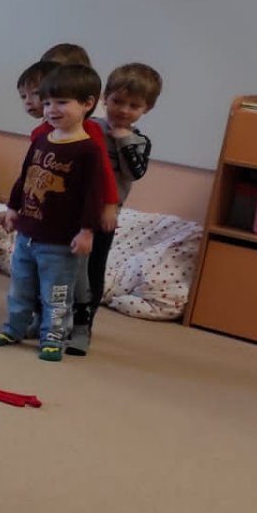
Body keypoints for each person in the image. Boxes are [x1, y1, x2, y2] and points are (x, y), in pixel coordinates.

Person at [0, 64, 111, 361]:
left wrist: (87, 231)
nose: (51, 110)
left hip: (60, 243)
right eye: (46, 103)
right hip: (28, 236)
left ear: (87, 103)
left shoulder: (88, 150)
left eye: (62, 102)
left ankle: (53, 338)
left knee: (56, 295)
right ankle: (14, 328)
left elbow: (93, 196)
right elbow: (26, 176)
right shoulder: (42, 139)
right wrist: (13, 208)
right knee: (20, 288)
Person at [67, 61, 163, 355]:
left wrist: (123, 142)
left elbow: (135, 173)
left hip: (104, 216)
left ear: (147, 108)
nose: (123, 110)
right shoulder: (89, 127)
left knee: (91, 271)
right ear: (104, 98)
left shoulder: (138, 141)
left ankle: (83, 326)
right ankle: (50, 317)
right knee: (59, 265)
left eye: (134, 106)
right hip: (71, 209)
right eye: (118, 101)